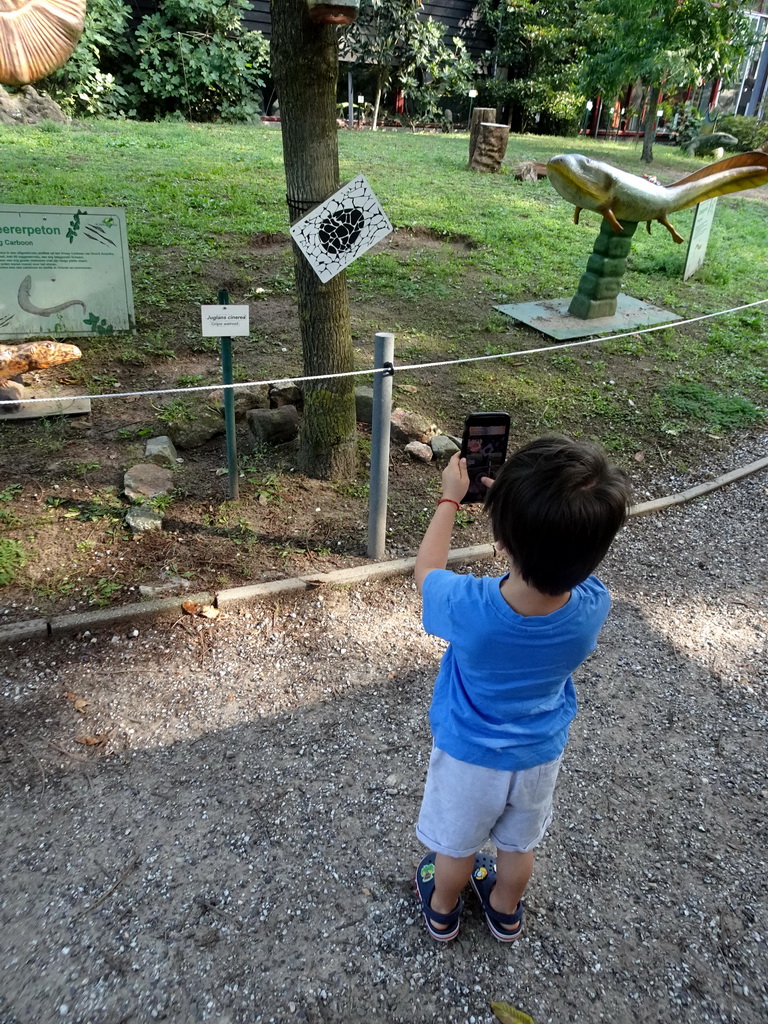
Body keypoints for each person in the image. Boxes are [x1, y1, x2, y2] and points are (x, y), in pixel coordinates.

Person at [413, 436, 631, 942]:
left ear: (502, 541)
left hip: (471, 756)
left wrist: (450, 498)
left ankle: (443, 909)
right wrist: (524, 513)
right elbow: (563, 561)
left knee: (457, 847)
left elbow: (427, 572)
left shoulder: (470, 607)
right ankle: (505, 910)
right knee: (517, 846)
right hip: (537, 756)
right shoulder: (593, 605)